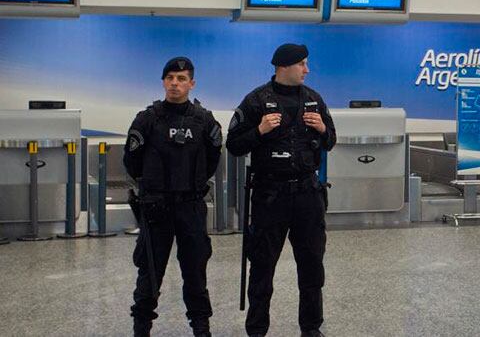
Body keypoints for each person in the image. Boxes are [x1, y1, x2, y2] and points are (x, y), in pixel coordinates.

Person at [226, 43, 336, 337]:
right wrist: (259, 130)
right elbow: (234, 145)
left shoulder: (313, 99)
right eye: (302, 64)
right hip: (269, 195)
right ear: (284, 66)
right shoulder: (256, 101)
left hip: (307, 195)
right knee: (262, 267)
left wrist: (323, 129)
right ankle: (257, 329)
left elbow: (331, 141)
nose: (307, 70)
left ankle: (311, 328)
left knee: (312, 266)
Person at [123, 57, 222, 337]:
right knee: (150, 273)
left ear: (192, 83)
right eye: (170, 79)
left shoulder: (204, 120)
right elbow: (132, 160)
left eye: (181, 79)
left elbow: (213, 158)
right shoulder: (147, 119)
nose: (175, 84)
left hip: (191, 206)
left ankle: (201, 327)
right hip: (156, 208)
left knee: (195, 272)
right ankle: (141, 328)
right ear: (163, 82)